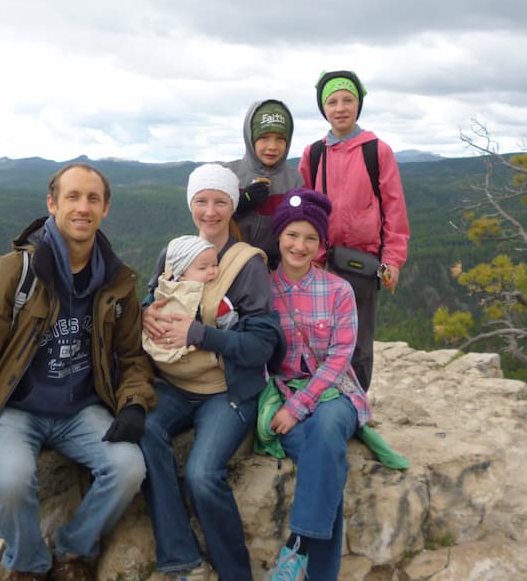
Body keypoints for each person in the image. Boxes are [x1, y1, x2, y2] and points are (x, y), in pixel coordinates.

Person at [0, 163, 156, 581]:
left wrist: (133, 403)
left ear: (105, 208)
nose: (83, 207)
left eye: (93, 199)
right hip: (18, 409)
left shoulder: (116, 281)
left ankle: (75, 550)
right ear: (52, 204)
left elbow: (132, 357)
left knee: (129, 467)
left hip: (82, 409)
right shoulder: (18, 273)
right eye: (72, 197)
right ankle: (28, 565)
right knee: (9, 483)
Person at [140, 163, 286, 581]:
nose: (210, 211)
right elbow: (154, 298)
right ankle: (181, 557)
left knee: (203, 475)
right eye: (201, 201)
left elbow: (262, 345)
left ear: (232, 205)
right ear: (190, 205)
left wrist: (199, 334)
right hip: (175, 383)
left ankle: (234, 573)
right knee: (145, 432)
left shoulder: (247, 266)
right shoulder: (174, 254)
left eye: (220, 201)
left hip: (227, 391)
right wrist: (143, 313)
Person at [261, 188, 375, 580]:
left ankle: (298, 545)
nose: (300, 245)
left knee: (325, 429)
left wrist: (298, 408)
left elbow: (341, 356)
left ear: (321, 244)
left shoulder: (338, 290)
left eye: (311, 237)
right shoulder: (261, 289)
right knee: (326, 460)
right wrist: (284, 403)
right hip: (284, 391)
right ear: (279, 236)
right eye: (292, 235)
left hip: (336, 391)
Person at [299, 70, 410, 391]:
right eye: (332, 101)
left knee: (360, 341)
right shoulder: (314, 153)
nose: (340, 107)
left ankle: (357, 402)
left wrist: (393, 259)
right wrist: (311, 256)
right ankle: (325, 398)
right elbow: (305, 208)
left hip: (365, 261)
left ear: (359, 104)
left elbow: (394, 209)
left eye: (348, 100)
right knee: (322, 335)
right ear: (323, 109)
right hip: (323, 261)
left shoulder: (377, 151)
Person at [225, 99, 303, 269]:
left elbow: (299, 229)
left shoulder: (295, 181)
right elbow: (209, 218)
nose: (272, 146)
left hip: (277, 270)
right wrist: (241, 202)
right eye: (264, 137)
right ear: (250, 137)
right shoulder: (229, 174)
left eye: (280, 139)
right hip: (231, 266)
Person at [141, 234, 238, 363]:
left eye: (215, 265)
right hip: (160, 354)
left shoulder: (216, 297)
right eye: (203, 268)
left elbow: (230, 323)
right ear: (181, 274)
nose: (212, 271)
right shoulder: (165, 289)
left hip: (185, 360)